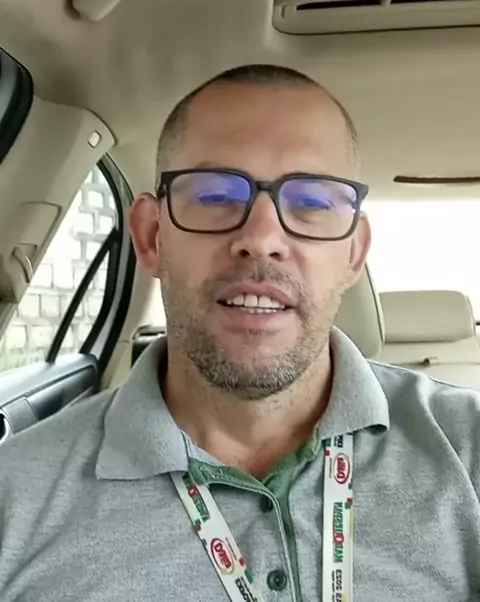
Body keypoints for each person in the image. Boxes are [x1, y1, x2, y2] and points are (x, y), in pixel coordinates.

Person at [0, 63, 480, 602]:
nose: (262, 238)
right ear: (152, 237)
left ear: (353, 253)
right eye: (213, 196)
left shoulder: (468, 445)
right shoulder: (13, 498)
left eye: (313, 202)